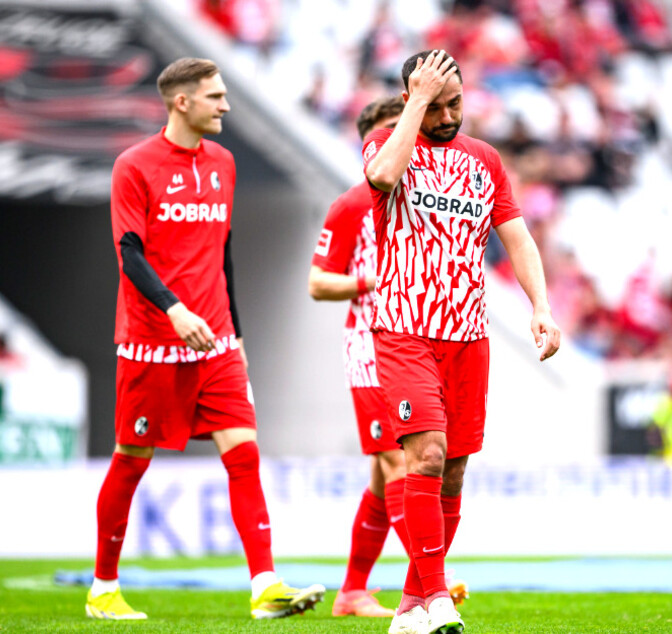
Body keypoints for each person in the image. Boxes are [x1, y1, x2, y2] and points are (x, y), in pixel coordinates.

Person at [86, 57, 324, 620]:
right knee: (132, 459)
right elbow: (130, 254)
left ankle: (266, 587)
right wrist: (172, 310)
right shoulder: (133, 165)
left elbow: (222, 252)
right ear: (182, 102)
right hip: (151, 340)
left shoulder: (223, 162)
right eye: (215, 97)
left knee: (243, 456)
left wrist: (235, 334)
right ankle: (102, 588)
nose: (226, 106)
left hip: (215, 340)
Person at [363, 49, 561, 634]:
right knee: (422, 456)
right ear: (411, 102)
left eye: (456, 102)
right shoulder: (387, 144)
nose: (449, 115)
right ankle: (439, 597)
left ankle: (409, 605)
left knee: (451, 472)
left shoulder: (485, 161)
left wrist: (541, 308)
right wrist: (417, 101)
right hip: (404, 330)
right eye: (436, 104)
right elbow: (381, 178)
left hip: (467, 336)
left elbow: (518, 241)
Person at [310, 95, 466, 618]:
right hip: (372, 345)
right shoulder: (354, 203)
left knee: (385, 474)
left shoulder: (429, 197)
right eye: (389, 133)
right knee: (397, 460)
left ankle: (354, 589)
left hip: (421, 338)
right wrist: (371, 281)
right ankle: (428, 580)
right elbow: (317, 282)